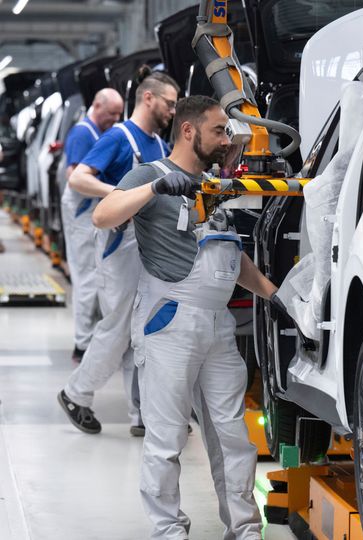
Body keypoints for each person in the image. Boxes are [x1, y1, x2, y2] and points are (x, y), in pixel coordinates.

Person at [93, 95, 275, 539]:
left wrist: (274, 295)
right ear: (189, 130)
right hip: (168, 322)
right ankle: (168, 530)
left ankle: (245, 528)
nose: (226, 140)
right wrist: (155, 189)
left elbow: (228, 255)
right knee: (166, 437)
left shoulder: (215, 185)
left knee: (233, 437)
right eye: (219, 131)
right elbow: (102, 215)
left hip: (217, 326)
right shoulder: (150, 174)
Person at [58, 70, 179, 437]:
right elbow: (78, 178)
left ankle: (141, 413)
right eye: (169, 103)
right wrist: (119, 194)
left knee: (144, 328)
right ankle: (75, 393)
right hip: (120, 245)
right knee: (118, 328)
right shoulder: (119, 137)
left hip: (149, 246)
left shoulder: (159, 145)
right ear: (148, 98)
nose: (173, 111)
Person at [59, 87, 125, 363]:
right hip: (81, 212)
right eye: (112, 113)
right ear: (97, 106)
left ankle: (92, 340)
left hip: (89, 212)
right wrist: (114, 192)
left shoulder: (97, 132)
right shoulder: (82, 133)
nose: (116, 119)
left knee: (94, 277)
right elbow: (73, 175)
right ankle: (82, 345)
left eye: (119, 114)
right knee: (86, 277)